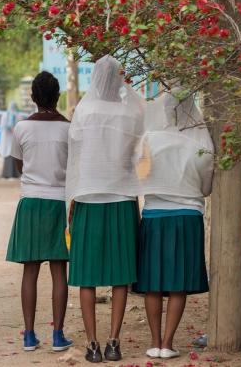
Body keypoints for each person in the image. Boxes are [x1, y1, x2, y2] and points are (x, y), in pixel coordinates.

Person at [66, 55, 144, 363]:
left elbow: (75, 157)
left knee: (87, 276)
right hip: (122, 196)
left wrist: (71, 200)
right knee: (120, 275)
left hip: (88, 196)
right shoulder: (130, 113)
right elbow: (137, 155)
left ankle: (92, 344)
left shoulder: (84, 111)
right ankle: (114, 342)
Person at [134, 91, 214, 359]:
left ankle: (154, 342)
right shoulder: (201, 144)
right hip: (188, 217)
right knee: (178, 283)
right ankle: (168, 344)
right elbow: (206, 189)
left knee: (153, 283)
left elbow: (139, 176)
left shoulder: (148, 140)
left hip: (155, 215)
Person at [5, 71, 73, 353]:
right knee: (59, 272)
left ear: (33, 97)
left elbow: (19, 165)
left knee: (30, 272)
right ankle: (58, 335)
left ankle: (29, 336)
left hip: (31, 203)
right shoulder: (69, 129)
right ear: (57, 96)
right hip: (59, 202)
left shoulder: (21, 128)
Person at [0, 102, 21, 179]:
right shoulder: (18, 115)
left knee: (8, 154)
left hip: (7, 138)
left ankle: (7, 174)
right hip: (14, 138)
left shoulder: (5, 115)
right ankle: (16, 174)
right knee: (15, 154)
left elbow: (1, 126)